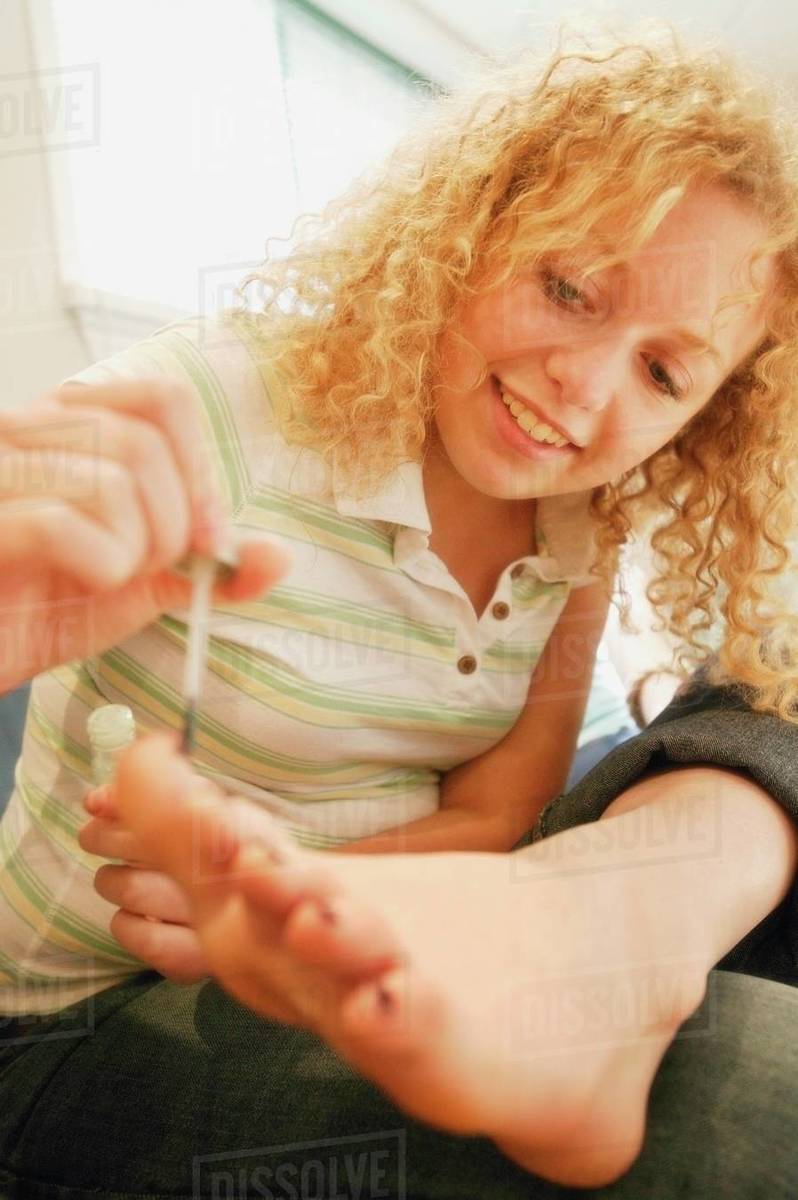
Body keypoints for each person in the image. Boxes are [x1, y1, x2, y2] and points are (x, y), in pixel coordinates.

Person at [2, 21, 798, 1197]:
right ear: (474, 229)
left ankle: (615, 938)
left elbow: (498, 807)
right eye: (570, 288)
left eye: (664, 372)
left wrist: (310, 902)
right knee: (762, 1102)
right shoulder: (211, 405)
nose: (586, 384)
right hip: (80, 1023)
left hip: (358, 954)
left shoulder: (578, 526)